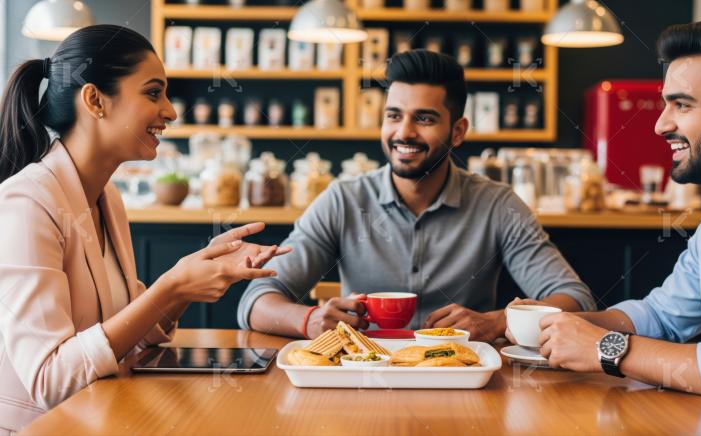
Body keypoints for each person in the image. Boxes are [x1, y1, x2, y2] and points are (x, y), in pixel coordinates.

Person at [506, 16, 701, 435]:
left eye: (682, 105)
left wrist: (608, 349)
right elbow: (663, 316)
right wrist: (559, 325)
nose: (660, 124)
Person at [0, 25, 288, 433]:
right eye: (154, 93)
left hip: (101, 418)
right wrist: (171, 286)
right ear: (95, 100)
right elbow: (51, 380)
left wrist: (190, 276)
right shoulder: (26, 203)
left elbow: (128, 336)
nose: (170, 111)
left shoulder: (106, 197)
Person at [238, 49, 595, 341]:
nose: (403, 133)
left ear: (458, 132)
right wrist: (310, 320)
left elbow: (576, 299)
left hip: (463, 381)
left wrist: (499, 321)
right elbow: (255, 302)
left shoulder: (498, 205)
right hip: (362, 382)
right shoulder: (343, 200)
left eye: (424, 119)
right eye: (394, 115)